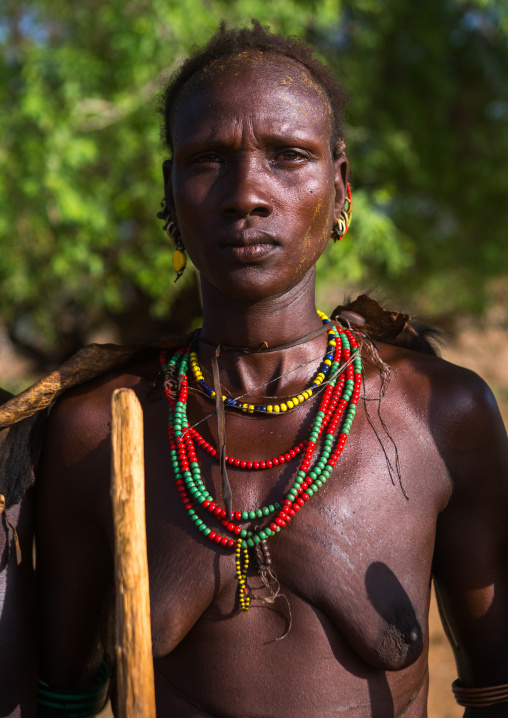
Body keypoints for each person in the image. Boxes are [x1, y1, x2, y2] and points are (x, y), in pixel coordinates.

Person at [1, 19, 508, 717]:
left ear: (341, 190)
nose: (247, 194)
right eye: (208, 159)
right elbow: (61, 700)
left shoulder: (439, 417)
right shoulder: (102, 429)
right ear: (170, 193)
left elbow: (497, 692)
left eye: (288, 155)